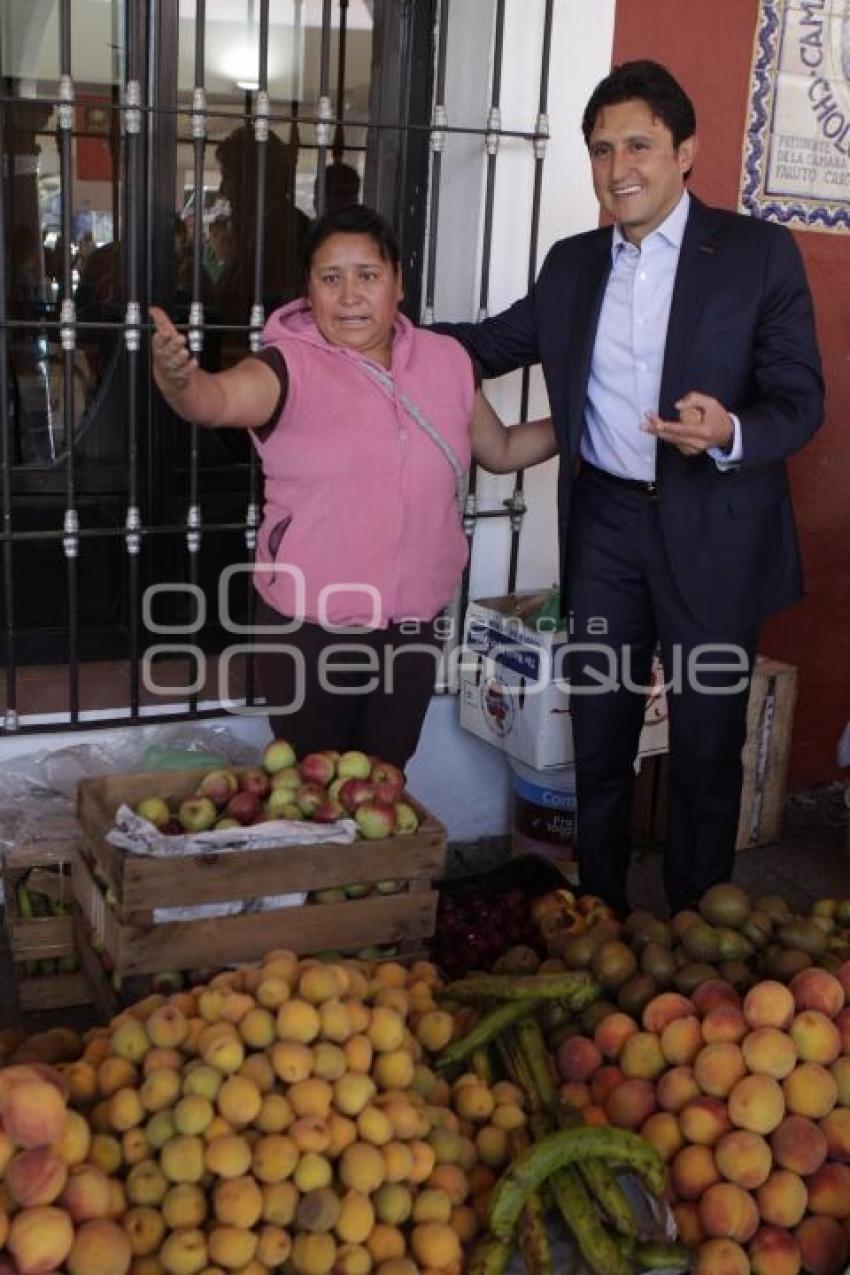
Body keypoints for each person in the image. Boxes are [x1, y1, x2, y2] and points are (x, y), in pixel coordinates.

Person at [439, 60, 823, 914]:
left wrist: (729, 431)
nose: (620, 169)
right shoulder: (571, 265)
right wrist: (365, 329)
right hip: (608, 524)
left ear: (687, 151)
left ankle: (695, 918)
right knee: (602, 732)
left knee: (707, 741)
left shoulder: (756, 254)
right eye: (603, 149)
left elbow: (802, 399)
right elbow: (483, 347)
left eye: (640, 145)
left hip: (714, 524)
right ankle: (600, 907)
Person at [151, 203, 556, 768]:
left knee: (385, 777)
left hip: (412, 622)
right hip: (310, 627)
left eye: (367, 276)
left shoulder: (447, 362)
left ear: (398, 286)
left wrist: (582, 419)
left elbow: (503, 449)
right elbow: (215, 400)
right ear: (308, 293)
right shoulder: (286, 367)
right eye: (330, 278)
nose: (349, 296)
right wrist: (181, 382)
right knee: (311, 782)